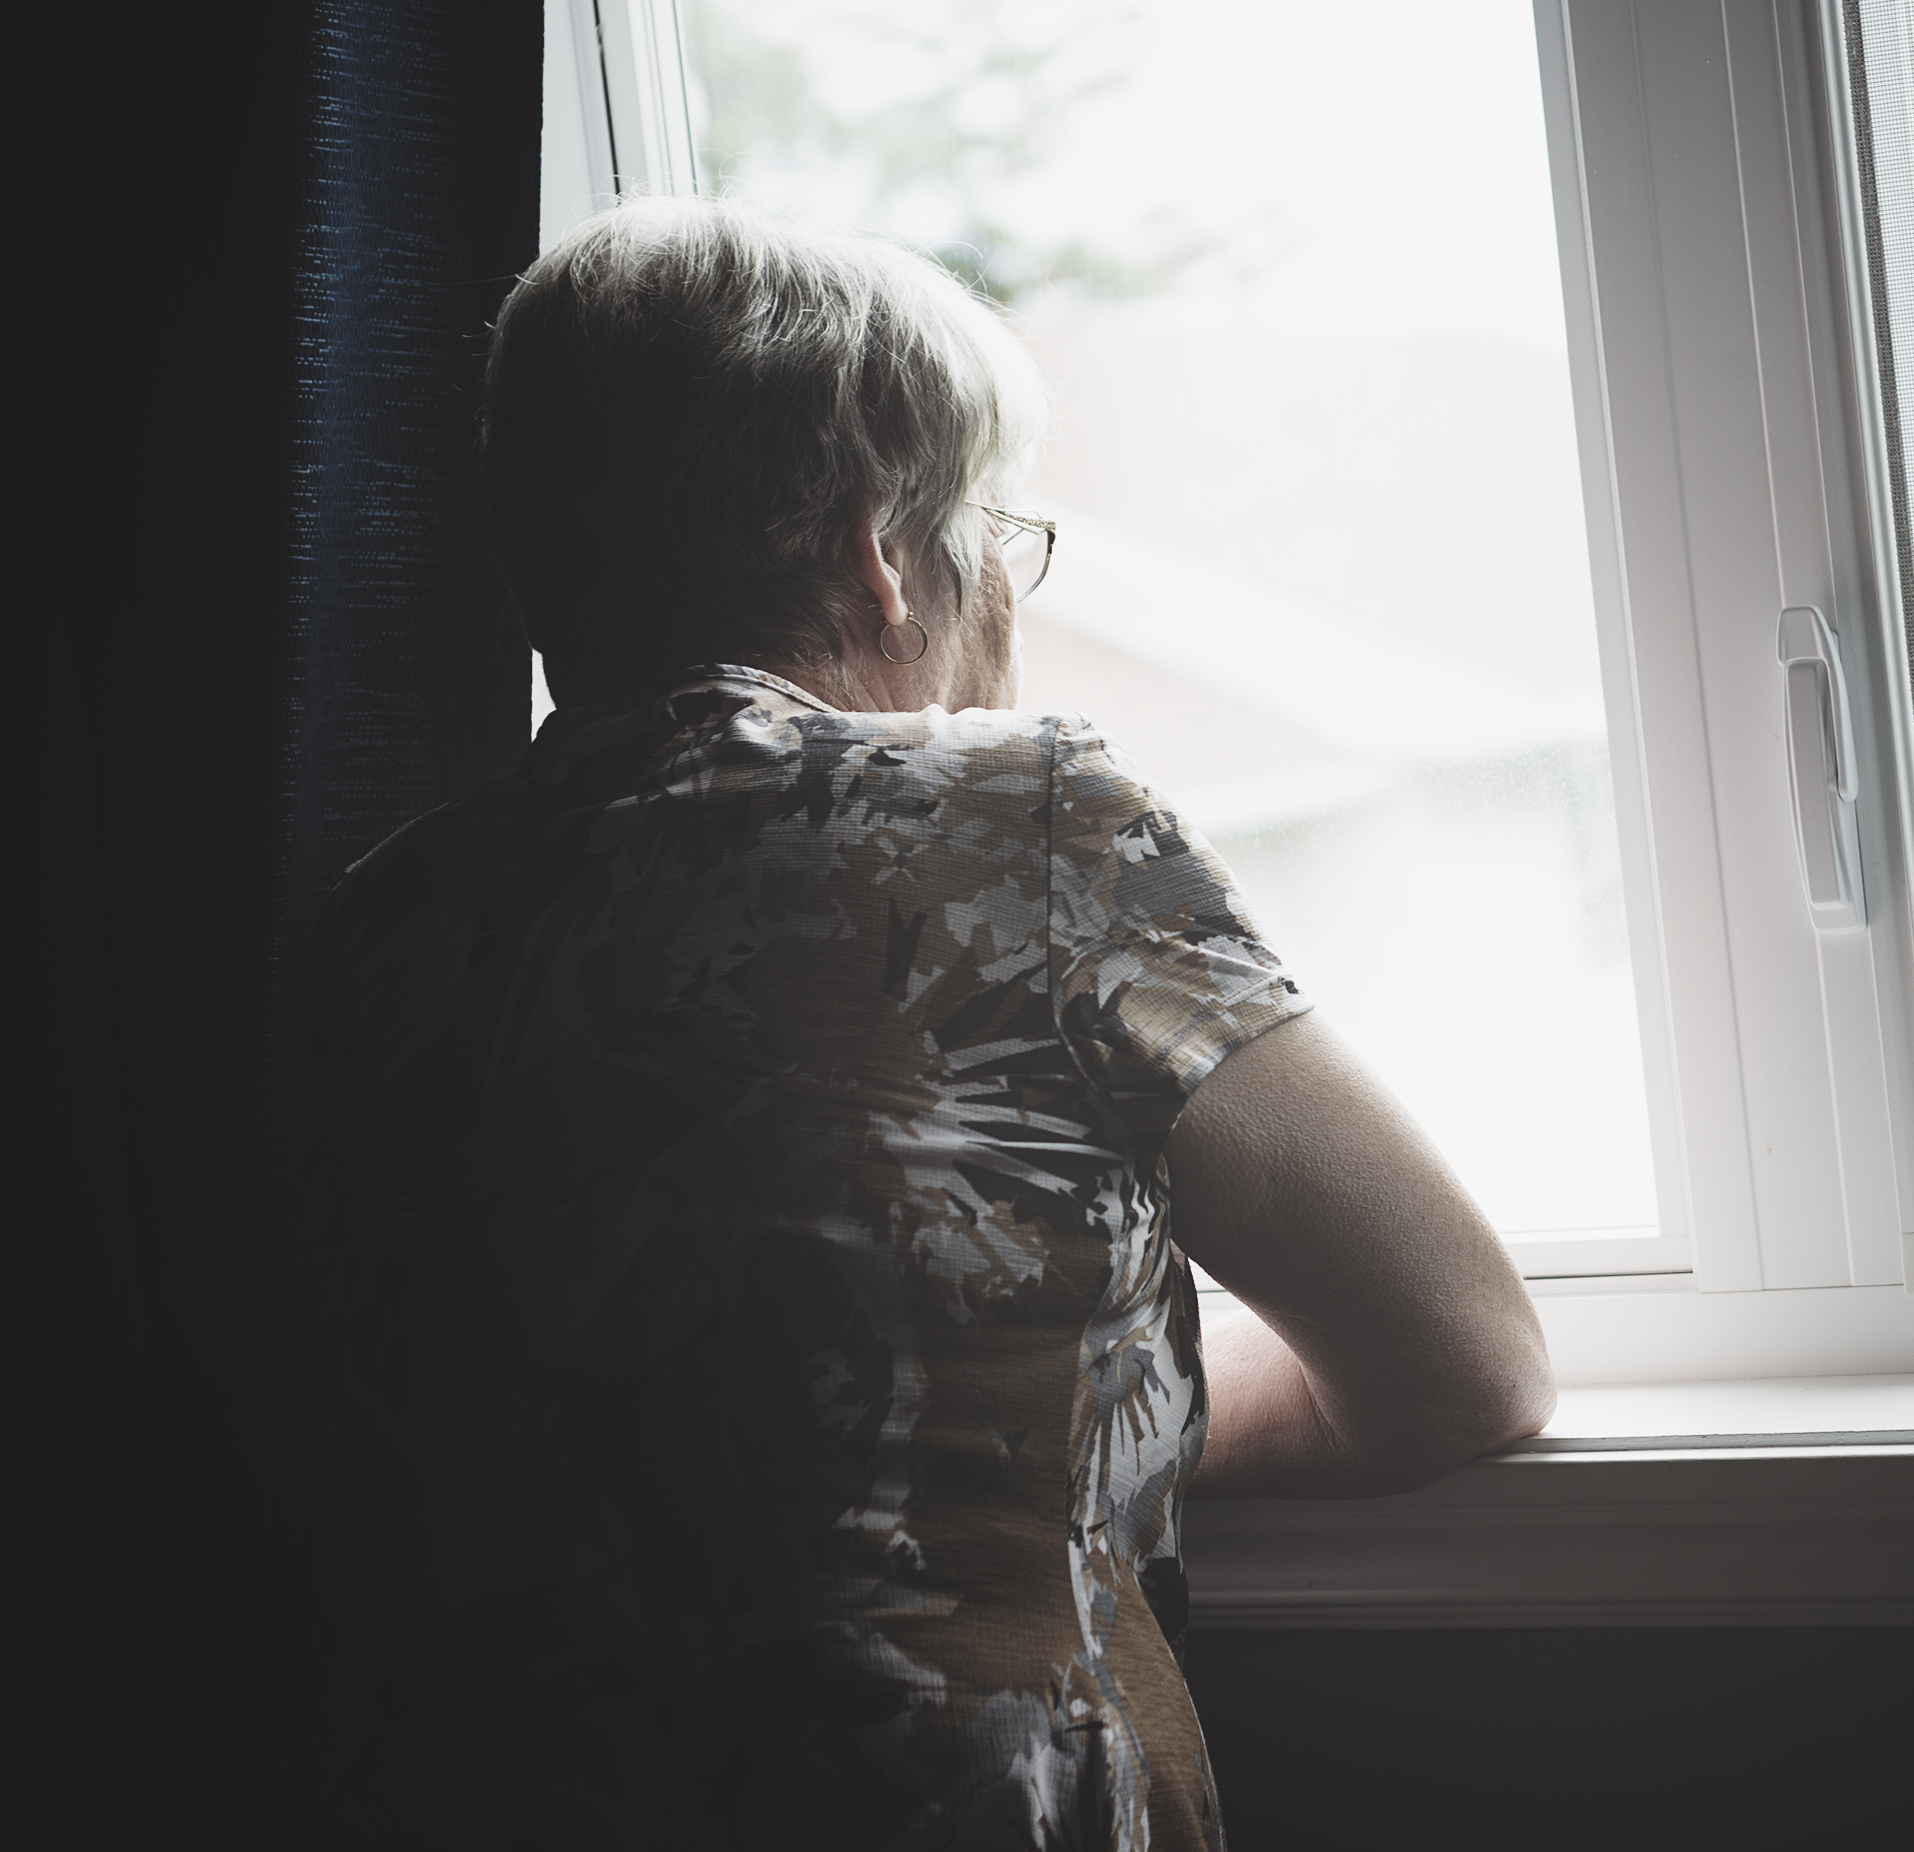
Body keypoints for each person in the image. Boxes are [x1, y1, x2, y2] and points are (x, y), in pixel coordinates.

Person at [276, 196, 1555, 1850]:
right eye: (998, 541)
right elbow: (1467, 1363)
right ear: (890, 548)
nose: (1000, 598)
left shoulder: (379, 923)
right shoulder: (1027, 821)